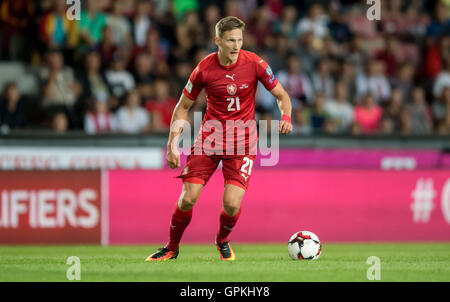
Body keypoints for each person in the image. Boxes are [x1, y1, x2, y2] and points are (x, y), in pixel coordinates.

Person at [146, 16, 292, 262]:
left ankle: (222, 240)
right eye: (231, 40)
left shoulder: (255, 63)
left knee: (232, 205)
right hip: (210, 138)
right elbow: (182, 107)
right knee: (188, 198)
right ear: (218, 41)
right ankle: (171, 247)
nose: (236, 46)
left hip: (243, 142)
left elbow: (281, 94)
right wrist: (172, 144)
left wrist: (286, 115)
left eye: (239, 40)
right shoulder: (204, 68)